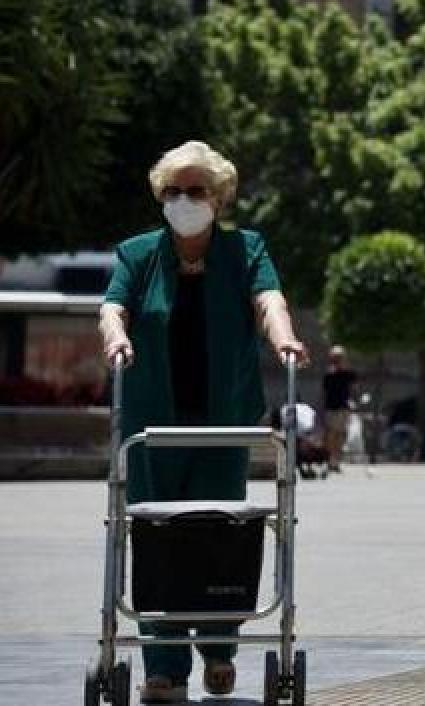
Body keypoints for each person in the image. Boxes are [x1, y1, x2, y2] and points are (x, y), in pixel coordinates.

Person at [98, 140, 307, 705]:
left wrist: (284, 338)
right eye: (172, 191)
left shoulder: (245, 249)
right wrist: (115, 337)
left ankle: (218, 650)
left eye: (195, 191)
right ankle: (164, 667)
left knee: (217, 531)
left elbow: (269, 300)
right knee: (154, 534)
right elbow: (113, 306)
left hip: (222, 422)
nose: (183, 200)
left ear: (219, 197)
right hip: (152, 422)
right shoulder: (139, 254)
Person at [321, 345, 358, 472]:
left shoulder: (348, 373)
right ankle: (331, 460)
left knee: (341, 434)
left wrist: (353, 402)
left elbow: (354, 388)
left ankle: (336, 460)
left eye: (339, 357)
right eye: (335, 357)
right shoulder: (329, 374)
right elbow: (324, 392)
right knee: (332, 434)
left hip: (343, 408)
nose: (337, 360)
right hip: (331, 408)